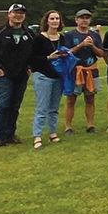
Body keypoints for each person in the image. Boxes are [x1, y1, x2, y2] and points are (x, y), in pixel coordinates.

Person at [0, 4, 36, 148]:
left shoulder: (29, 34)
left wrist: (30, 67)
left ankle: (10, 134)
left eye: (21, 13)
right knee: (3, 105)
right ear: (9, 14)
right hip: (3, 76)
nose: (18, 15)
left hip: (21, 76)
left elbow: (34, 53)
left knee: (14, 106)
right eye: (15, 13)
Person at [62, 9, 105, 135]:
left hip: (91, 70)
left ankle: (90, 125)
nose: (84, 20)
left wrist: (92, 46)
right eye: (82, 17)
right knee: (71, 99)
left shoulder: (95, 35)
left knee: (90, 99)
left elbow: (101, 54)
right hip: (74, 71)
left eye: (87, 18)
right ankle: (68, 127)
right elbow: (66, 53)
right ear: (76, 20)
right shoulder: (69, 35)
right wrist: (81, 45)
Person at [30, 10, 67, 149]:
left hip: (58, 76)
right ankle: (37, 135)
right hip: (43, 76)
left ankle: (52, 132)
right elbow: (32, 59)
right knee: (42, 107)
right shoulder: (39, 38)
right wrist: (48, 58)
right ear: (47, 21)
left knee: (54, 107)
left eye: (57, 18)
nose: (55, 21)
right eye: (52, 18)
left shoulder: (61, 37)